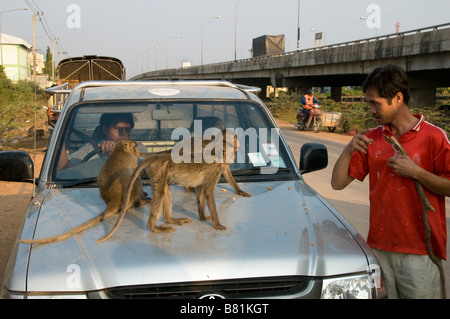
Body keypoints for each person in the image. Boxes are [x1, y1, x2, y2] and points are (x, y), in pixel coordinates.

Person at [331, 64, 450, 299]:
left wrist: (417, 172)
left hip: (420, 253)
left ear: (397, 98)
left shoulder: (434, 137)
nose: (371, 109)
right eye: (369, 103)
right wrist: (347, 149)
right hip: (378, 250)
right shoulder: (372, 139)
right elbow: (337, 183)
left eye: (376, 103)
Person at [57, 113, 138, 170]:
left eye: (126, 129)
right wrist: (59, 132)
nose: (122, 134)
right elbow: (63, 168)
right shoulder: (91, 148)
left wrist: (114, 155)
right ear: (105, 129)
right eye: (117, 128)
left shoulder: (137, 148)